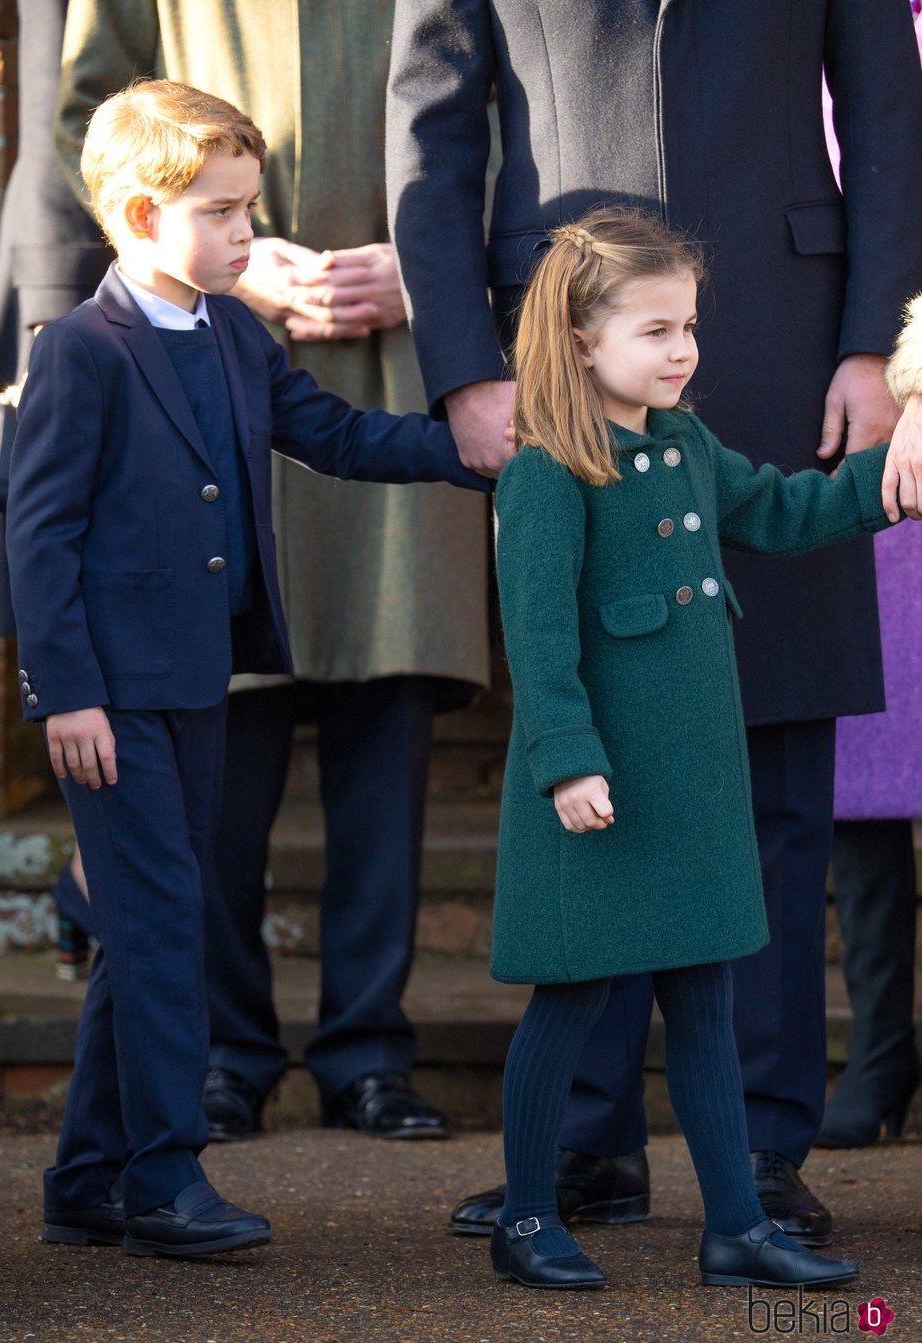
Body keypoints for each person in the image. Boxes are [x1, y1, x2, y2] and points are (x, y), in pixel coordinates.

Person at [387, 0, 922, 1241]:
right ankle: (586, 1147)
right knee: (604, 742)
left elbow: (890, 122)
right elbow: (431, 129)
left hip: (797, 347)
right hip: (564, 350)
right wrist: (466, 361)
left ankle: (768, 1152)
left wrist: (874, 353)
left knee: (779, 776)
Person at [5, 79, 488, 1258]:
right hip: (109, 699)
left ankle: (85, 1176)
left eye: (247, 208)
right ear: (136, 213)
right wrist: (65, 691)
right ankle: (163, 1175)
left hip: (200, 683)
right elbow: (40, 536)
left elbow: (330, 433)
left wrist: (473, 448)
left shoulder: (232, 331)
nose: (246, 233)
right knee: (168, 925)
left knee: (141, 927)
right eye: (222, 212)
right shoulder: (77, 352)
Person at [489, 205, 912, 1292]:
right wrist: (565, 760)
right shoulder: (546, 469)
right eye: (654, 329)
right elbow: (536, 639)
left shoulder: (682, 445)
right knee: (570, 996)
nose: (681, 349)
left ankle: (734, 1225)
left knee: (709, 1003)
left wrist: (887, 481)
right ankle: (527, 1216)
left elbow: (779, 510)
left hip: (690, 783)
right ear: (581, 340)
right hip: (596, 783)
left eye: (687, 326)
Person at [0, 0, 108, 978]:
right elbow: (60, 90)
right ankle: (100, 881)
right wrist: (55, 306)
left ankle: (106, 888)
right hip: (84, 265)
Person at [822, 290, 922, 1148]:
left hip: (912, 405)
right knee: (859, 771)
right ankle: (881, 1047)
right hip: (845, 442)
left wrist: (920, 387)